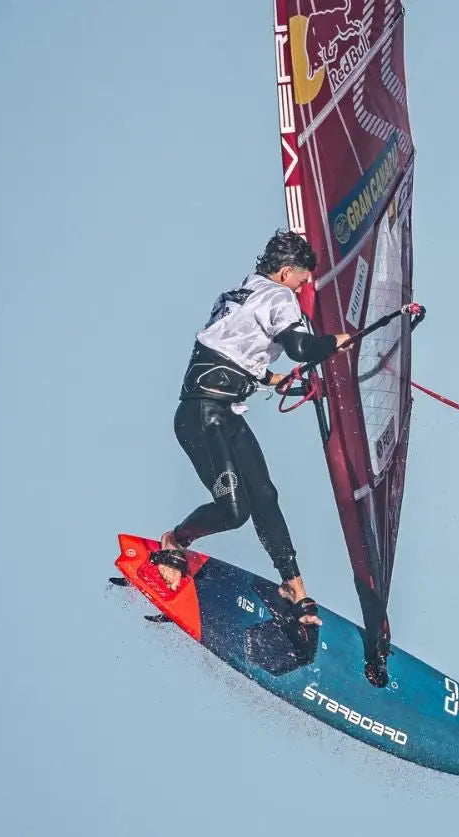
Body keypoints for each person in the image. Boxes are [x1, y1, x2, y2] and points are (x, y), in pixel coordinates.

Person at [149, 230, 351, 627]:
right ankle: (175, 541)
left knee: (265, 494)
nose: (306, 285)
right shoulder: (279, 297)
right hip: (202, 415)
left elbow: (228, 351)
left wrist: (270, 379)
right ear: (285, 272)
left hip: (222, 411)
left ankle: (294, 585)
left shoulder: (239, 292)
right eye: (302, 277)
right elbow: (300, 349)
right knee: (235, 509)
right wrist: (334, 343)